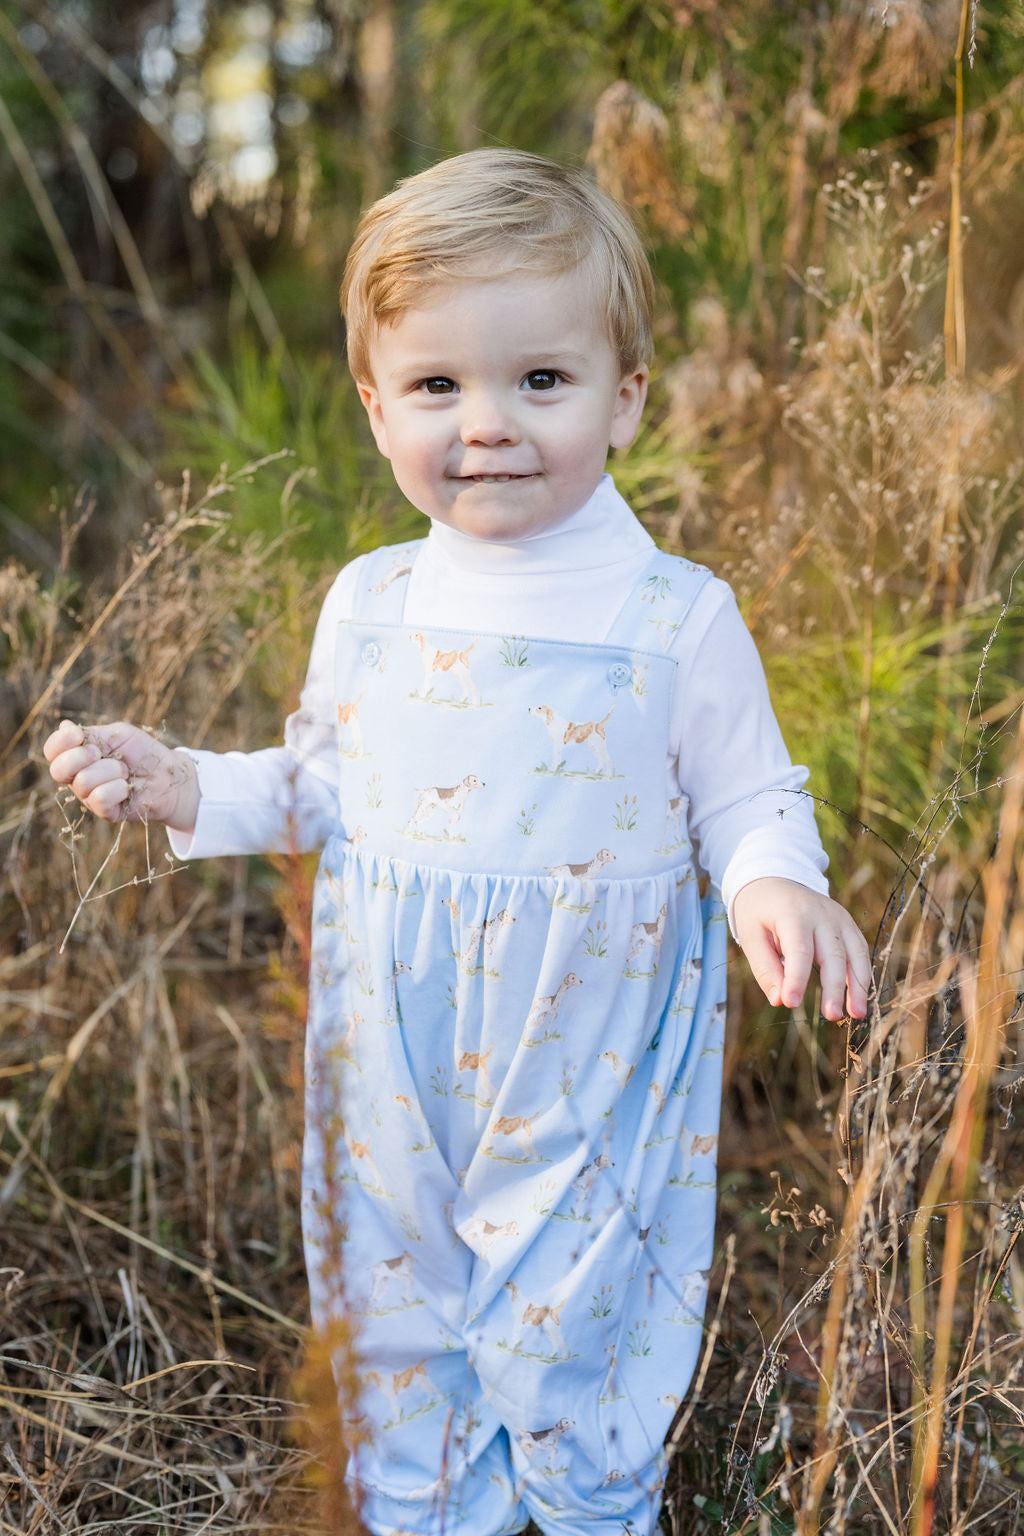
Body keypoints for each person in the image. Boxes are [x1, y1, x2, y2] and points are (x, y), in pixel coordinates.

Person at [45, 148, 871, 1536]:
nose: (489, 425)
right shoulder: (370, 603)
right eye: (437, 386)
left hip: (582, 1046)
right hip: (388, 1045)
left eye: (540, 380)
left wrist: (774, 881)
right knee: (394, 1299)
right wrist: (185, 785)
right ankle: (428, 1507)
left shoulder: (673, 617)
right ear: (376, 408)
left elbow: (744, 792)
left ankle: (587, 1503)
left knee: (573, 1308)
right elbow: (323, 786)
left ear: (626, 395)